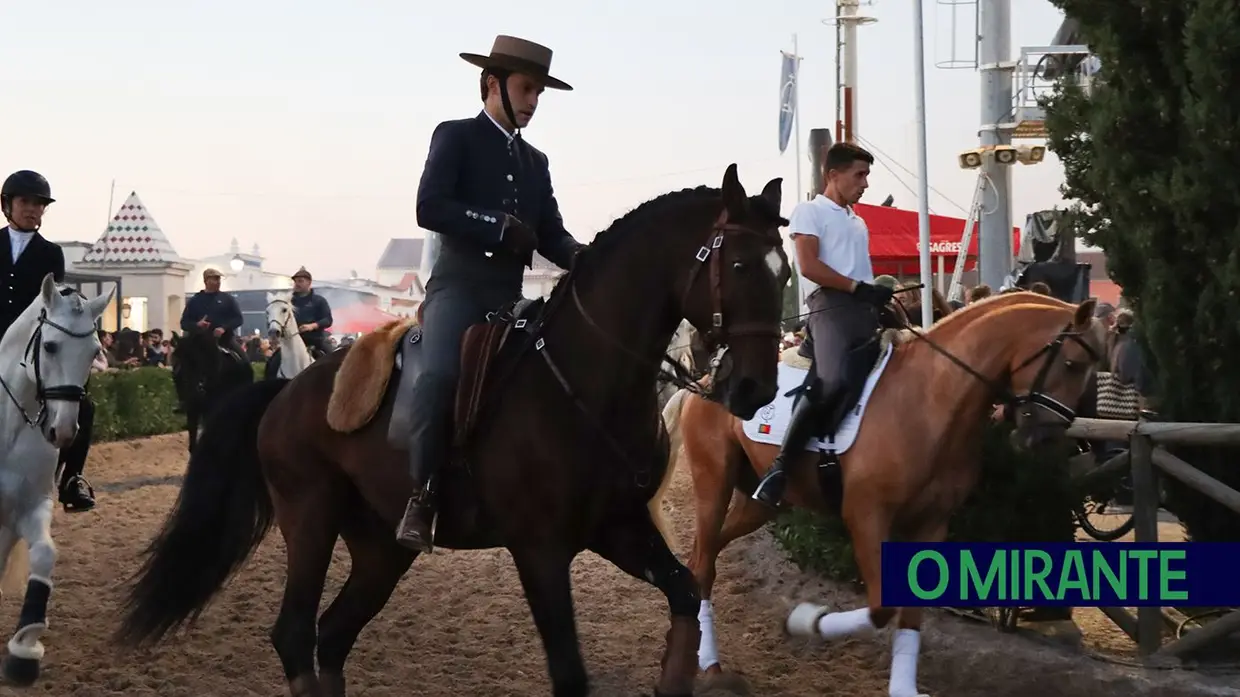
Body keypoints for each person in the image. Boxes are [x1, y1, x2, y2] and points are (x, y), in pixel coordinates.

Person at [395, 35, 586, 551]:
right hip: (458, 287)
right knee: (438, 374)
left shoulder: (536, 161)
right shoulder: (455, 136)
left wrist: (585, 257)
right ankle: (423, 494)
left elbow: (552, 232)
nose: (532, 101)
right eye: (526, 89)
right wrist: (495, 224)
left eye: (539, 93)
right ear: (491, 84)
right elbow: (429, 208)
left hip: (510, 295)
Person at [752, 143, 892, 508]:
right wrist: (855, 287)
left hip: (860, 308)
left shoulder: (857, 220)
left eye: (867, 176)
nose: (865, 184)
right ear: (833, 175)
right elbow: (810, 267)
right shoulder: (809, 211)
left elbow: (856, 269)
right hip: (828, 306)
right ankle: (781, 468)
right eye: (859, 175)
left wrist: (873, 293)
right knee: (835, 380)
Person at [0, 170, 96, 510]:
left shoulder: (51, 253)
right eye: (25, 202)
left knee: (84, 403)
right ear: (7, 205)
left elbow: (51, 307)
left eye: (39, 204)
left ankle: (72, 478)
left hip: (33, 347)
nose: (33, 209)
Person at [174, 268, 245, 409]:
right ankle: (183, 399)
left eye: (218, 279)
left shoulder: (227, 299)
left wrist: (224, 328)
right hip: (199, 342)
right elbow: (184, 323)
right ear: (206, 281)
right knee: (179, 366)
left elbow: (238, 318)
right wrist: (197, 325)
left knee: (244, 362)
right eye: (214, 279)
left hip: (224, 340)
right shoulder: (195, 301)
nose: (217, 282)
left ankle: (245, 394)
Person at [289, 267, 333, 356]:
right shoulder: (288, 301)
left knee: (334, 360)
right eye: (295, 281)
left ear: (309, 282)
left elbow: (328, 319)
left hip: (315, 341)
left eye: (300, 281)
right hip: (292, 341)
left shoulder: (319, 300)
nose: (297, 284)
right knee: (273, 363)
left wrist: (312, 326)